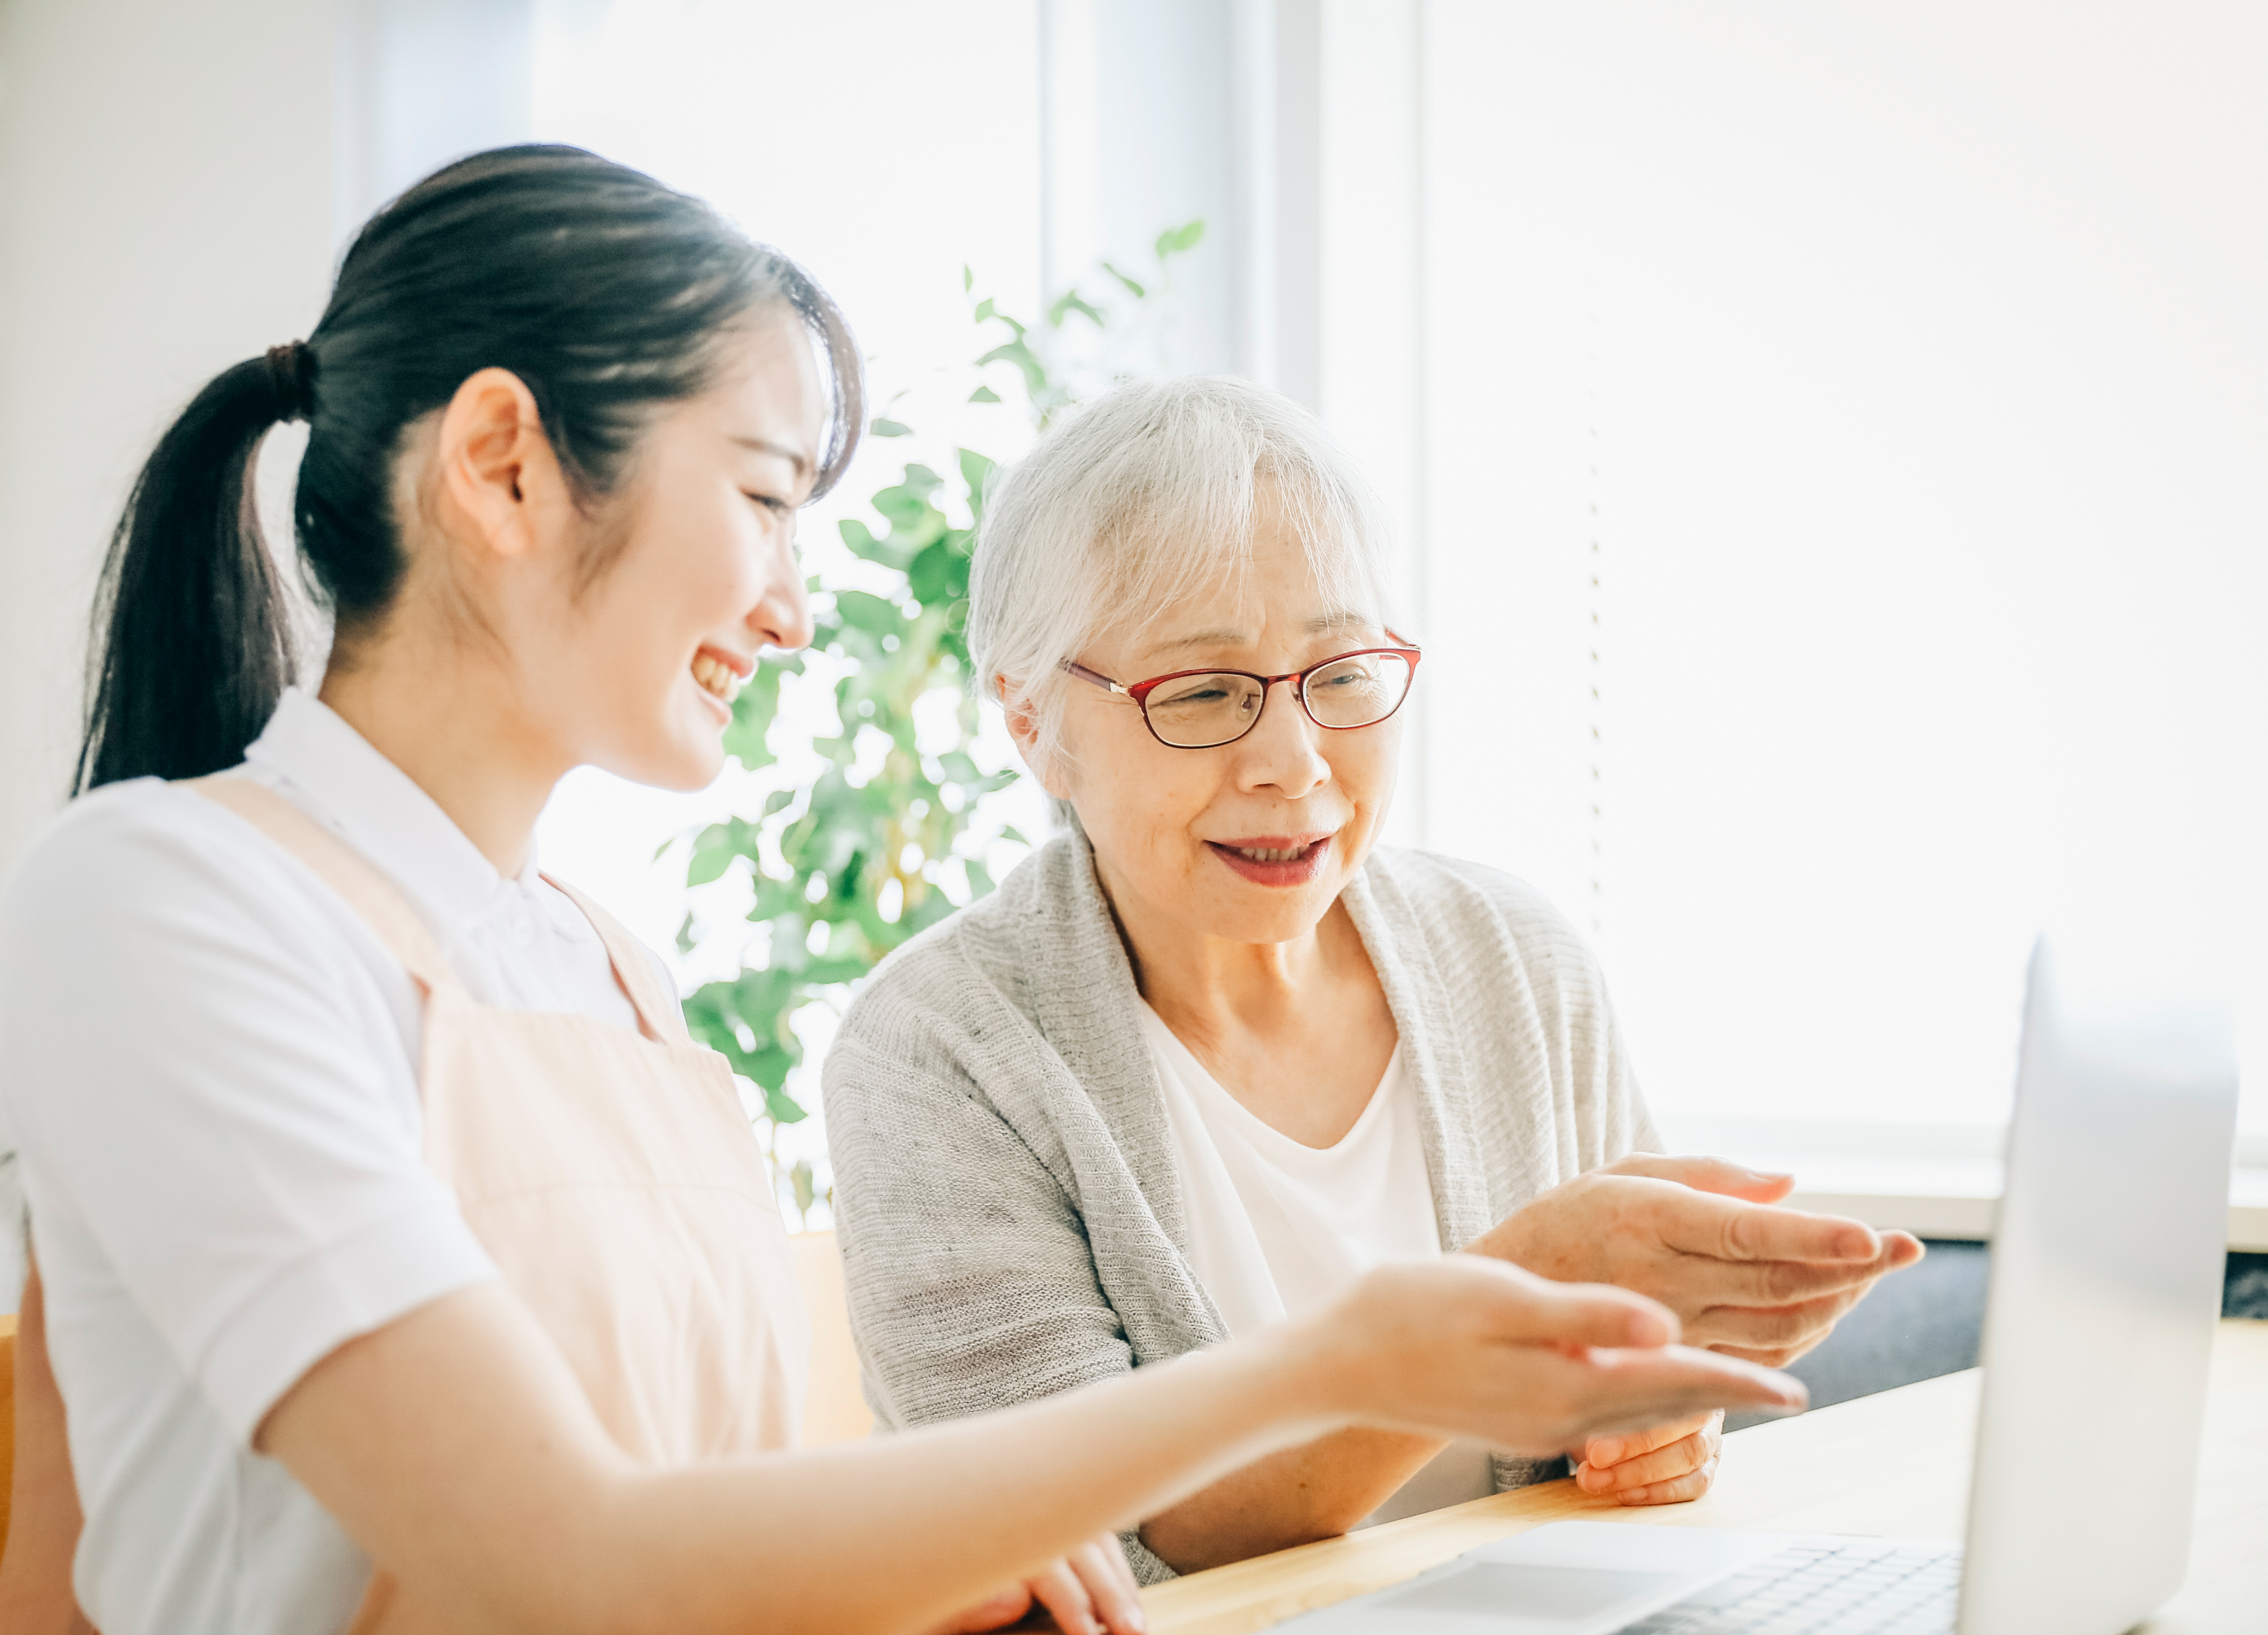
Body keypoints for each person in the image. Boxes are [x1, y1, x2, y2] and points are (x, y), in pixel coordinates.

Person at [0, 148, 1807, 1635]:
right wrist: (1342, 1356)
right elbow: (569, 1559)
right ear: (503, 464)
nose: (789, 602)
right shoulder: (160, 901)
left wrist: (925, 1562)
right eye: (768, 497)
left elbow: (702, 1526)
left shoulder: (606, 973)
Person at [822, 375, 1923, 1583]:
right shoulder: (938, 1049)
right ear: (1032, 723)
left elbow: (1621, 1381)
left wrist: (1649, 1422)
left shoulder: (1512, 954)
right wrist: (1514, 1288)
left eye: (1340, 674)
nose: (1292, 765)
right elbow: (1070, 1550)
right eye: (1201, 693)